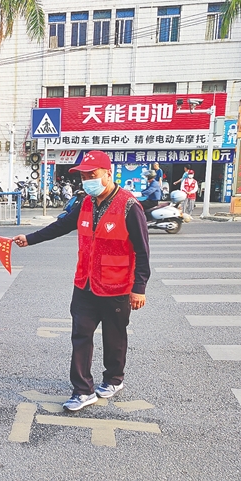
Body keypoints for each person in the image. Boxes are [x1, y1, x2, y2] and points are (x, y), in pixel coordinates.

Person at [12, 150, 150, 412]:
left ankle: (114, 378)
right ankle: (83, 390)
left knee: (114, 337)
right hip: (85, 284)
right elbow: (61, 226)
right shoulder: (85, 203)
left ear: (108, 174)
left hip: (116, 285)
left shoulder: (129, 206)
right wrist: (29, 239)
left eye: (92, 175)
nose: (87, 180)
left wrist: (139, 287)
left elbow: (142, 251)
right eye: (84, 176)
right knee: (80, 335)